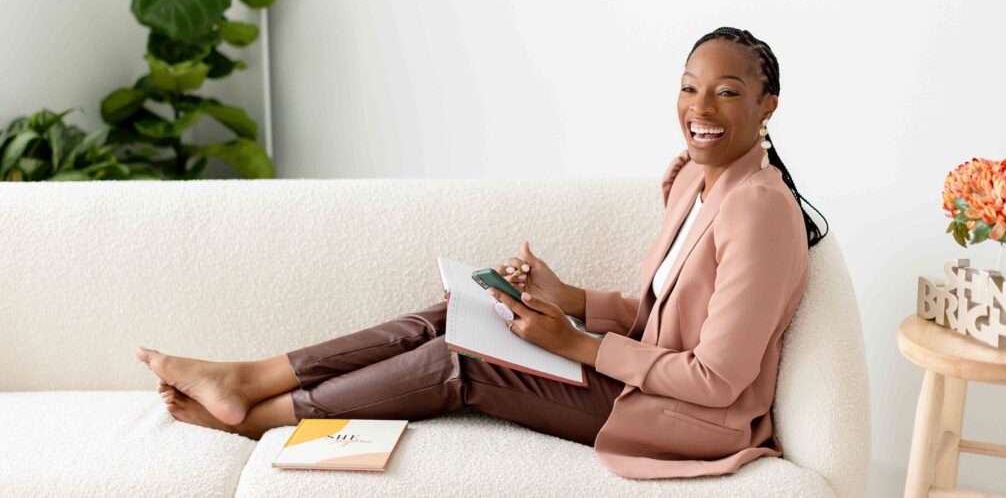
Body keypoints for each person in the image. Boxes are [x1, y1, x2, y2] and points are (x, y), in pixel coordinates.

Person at [134, 26, 828, 479]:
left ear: (768, 105)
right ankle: (253, 377)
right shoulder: (696, 181)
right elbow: (653, 314)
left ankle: (260, 417)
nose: (700, 106)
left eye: (727, 91)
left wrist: (579, 347)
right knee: (460, 310)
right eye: (689, 86)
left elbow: (717, 379)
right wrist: (569, 300)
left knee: (462, 360)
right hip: (640, 374)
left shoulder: (763, 210)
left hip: (687, 418)